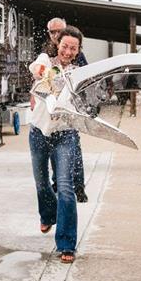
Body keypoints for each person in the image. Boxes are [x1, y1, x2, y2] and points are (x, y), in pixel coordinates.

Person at [28, 25, 85, 264]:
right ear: (57, 45)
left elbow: (86, 100)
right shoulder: (46, 60)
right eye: (65, 46)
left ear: (78, 50)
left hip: (65, 134)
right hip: (39, 131)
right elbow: (36, 67)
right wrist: (41, 71)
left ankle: (66, 244)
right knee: (42, 183)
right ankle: (48, 214)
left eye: (73, 48)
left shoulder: (80, 72)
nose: (68, 51)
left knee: (65, 187)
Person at [39, 18, 88, 202]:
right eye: (52, 32)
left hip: (71, 108)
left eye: (59, 31)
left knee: (74, 147)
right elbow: (40, 76)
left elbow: (85, 81)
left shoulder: (74, 51)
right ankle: (58, 182)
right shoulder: (47, 52)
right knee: (53, 148)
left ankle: (79, 185)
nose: (55, 35)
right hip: (52, 111)